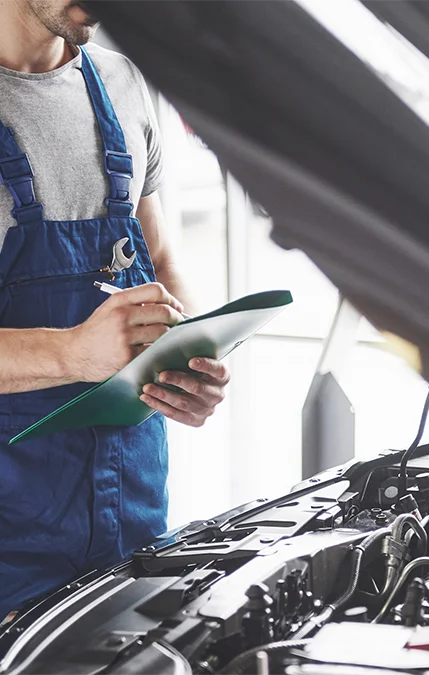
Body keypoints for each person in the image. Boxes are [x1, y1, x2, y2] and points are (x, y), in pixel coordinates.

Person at [0, 0, 230, 618]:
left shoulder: (122, 82)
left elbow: (159, 259)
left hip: (132, 523)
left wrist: (192, 358)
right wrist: (73, 353)